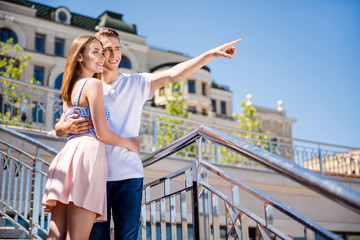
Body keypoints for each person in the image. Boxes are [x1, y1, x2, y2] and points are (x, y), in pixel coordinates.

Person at [54, 28, 241, 240]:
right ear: (95, 52)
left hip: (128, 176)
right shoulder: (87, 85)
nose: (114, 55)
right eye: (106, 50)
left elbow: (174, 74)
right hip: (96, 175)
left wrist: (210, 54)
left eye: (117, 48)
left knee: (128, 237)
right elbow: (61, 124)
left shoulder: (136, 83)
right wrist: (64, 127)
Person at [42, 35, 140, 240]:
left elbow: (60, 126)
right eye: (96, 52)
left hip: (67, 155)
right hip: (87, 157)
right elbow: (102, 133)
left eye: (101, 52)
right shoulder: (93, 85)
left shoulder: (69, 88)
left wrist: (63, 127)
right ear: (79, 57)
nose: (102, 57)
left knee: (56, 236)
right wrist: (130, 143)